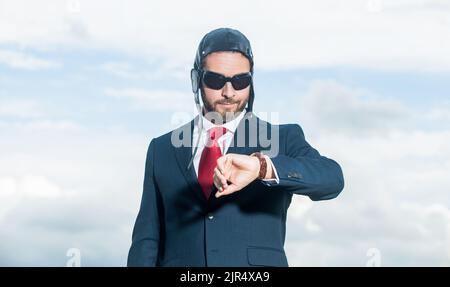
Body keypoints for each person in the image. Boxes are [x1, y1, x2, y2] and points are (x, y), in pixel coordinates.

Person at [127, 27, 344, 267]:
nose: (228, 92)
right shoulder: (161, 149)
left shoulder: (282, 138)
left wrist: (262, 167)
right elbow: (147, 239)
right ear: (195, 79)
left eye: (240, 81)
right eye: (215, 80)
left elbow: (332, 179)